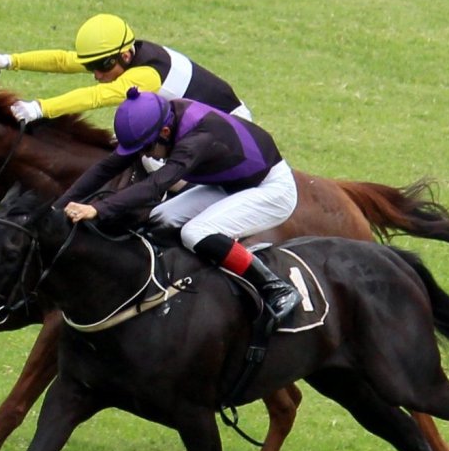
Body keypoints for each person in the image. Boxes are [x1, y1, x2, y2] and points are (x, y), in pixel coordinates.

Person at [55, 87, 300, 324]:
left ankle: (275, 288)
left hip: (271, 190)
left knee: (195, 233)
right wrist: (57, 206)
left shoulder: (197, 138)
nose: (147, 156)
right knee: (160, 218)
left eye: (147, 149)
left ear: (164, 132)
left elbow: (155, 185)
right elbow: (107, 167)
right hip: (230, 184)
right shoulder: (160, 122)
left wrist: (98, 209)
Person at [0, 13, 253, 124]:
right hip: (195, 120)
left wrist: (40, 108)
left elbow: (96, 97)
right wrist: (9, 61)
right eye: (93, 66)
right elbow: (64, 60)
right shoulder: (122, 55)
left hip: (231, 128)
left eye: (103, 66)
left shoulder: (146, 76)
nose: (98, 75)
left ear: (125, 55)